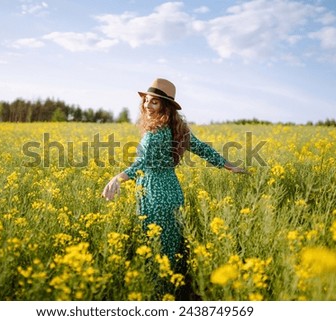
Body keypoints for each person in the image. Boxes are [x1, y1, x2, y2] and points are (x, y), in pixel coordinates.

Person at [102, 78, 247, 268]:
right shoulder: (176, 127)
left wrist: (117, 178)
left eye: (154, 102)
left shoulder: (157, 133)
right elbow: (202, 148)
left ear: (166, 106)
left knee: (156, 250)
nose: (147, 105)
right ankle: (173, 287)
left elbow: (143, 164)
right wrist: (227, 165)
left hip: (155, 194)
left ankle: (160, 291)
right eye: (146, 100)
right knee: (169, 246)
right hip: (171, 191)